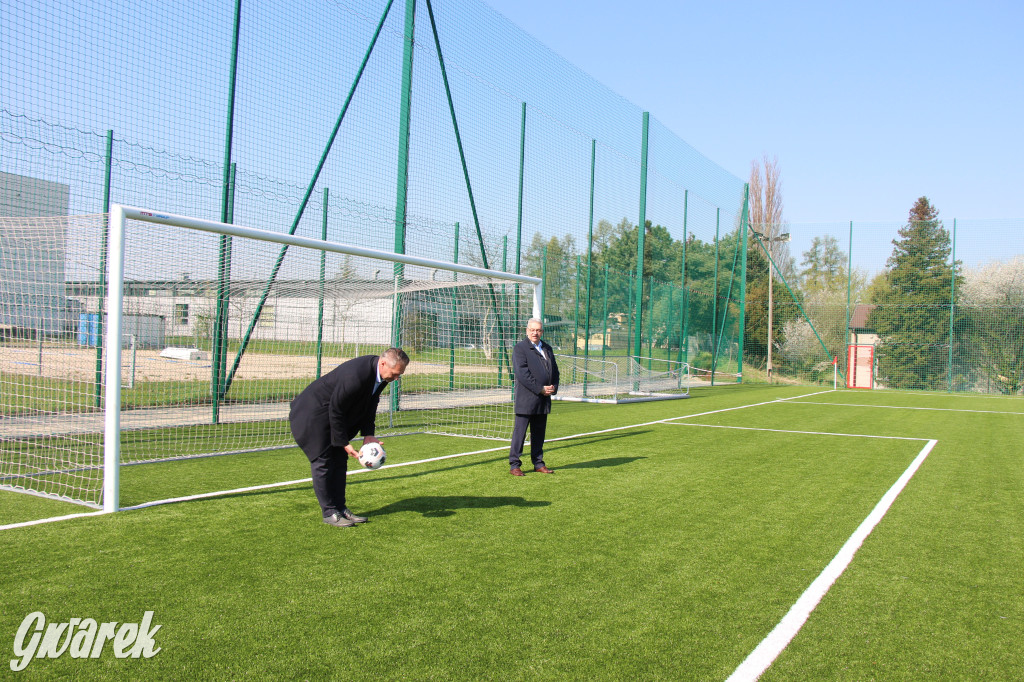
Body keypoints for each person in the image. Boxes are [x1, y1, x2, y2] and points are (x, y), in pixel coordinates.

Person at [289, 347, 409, 527]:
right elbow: (336, 409)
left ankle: (340, 508)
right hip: (311, 414)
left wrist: (368, 435)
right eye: (395, 373)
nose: (396, 378)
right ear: (383, 363)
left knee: (339, 460)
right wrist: (343, 442)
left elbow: (371, 404)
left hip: (331, 413)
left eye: (400, 374)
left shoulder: (382, 375)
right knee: (323, 460)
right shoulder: (356, 376)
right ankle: (329, 512)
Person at [508, 318, 559, 476]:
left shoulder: (547, 348)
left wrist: (553, 387)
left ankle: (538, 463)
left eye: (538, 330)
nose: (535, 333)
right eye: (532, 330)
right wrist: (540, 389)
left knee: (539, 434)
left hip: (543, 401)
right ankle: (515, 465)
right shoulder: (520, 348)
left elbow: (555, 371)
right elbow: (522, 374)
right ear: (527, 331)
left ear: (541, 332)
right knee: (520, 433)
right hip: (526, 399)